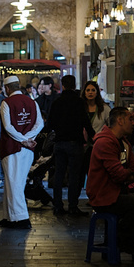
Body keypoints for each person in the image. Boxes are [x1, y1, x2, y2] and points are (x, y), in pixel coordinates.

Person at [86, 106, 134, 255]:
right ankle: (122, 238)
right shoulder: (104, 142)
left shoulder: (124, 143)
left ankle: (124, 238)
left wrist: (128, 174)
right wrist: (128, 174)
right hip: (104, 197)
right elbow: (119, 175)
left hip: (118, 194)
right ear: (120, 120)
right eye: (130, 119)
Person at [0, 75, 43, 230]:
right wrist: (28, 139)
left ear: (7, 88)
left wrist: (22, 139)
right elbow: (40, 124)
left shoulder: (6, 102)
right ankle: (8, 216)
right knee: (13, 183)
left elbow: (8, 127)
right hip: (28, 149)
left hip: (11, 148)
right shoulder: (32, 102)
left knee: (14, 183)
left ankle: (22, 218)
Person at [47, 74, 96, 217]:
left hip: (60, 143)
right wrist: (95, 137)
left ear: (63, 85)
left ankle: (58, 206)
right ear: (74, 85)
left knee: (59, 175)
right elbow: (86, 122)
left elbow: (50, 124)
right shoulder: (79, 102)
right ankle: (73, 206)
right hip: (75, 143)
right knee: (74, 176)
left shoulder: (56, 102)